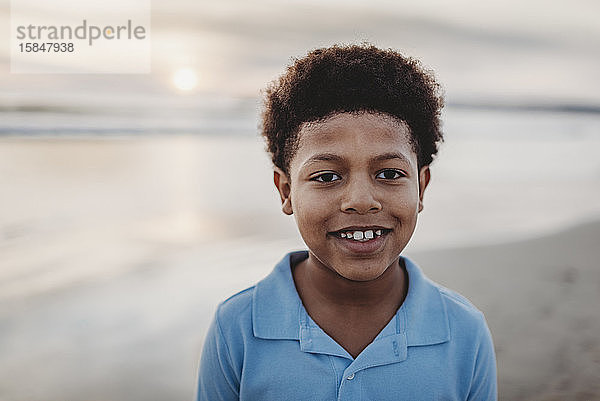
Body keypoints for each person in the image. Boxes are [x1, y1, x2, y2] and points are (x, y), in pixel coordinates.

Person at [196, 44, 497, 401]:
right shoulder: (238, 328)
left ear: (421, 186)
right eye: (326, 177)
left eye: (388, 173)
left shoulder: (463, 331)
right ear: (286, 191)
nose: (360, 200)